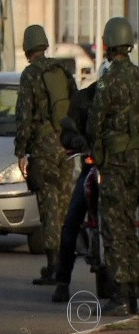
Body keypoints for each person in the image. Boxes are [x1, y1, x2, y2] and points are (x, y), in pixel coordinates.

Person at [14, 24, 75, 285]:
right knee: (63, 209)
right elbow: (77, 105)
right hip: (67, 148)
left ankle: (54, 268)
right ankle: (64, 265)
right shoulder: (62, 70)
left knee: (49, 209)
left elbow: (24, 117)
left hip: (44, 150)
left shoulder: (29, 76)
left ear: (28, 49)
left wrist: (21, 151)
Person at [86, 17, 139, 316]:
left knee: (115, 227)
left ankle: (120, 294)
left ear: (109, 43)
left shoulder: (109, 79)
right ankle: (133, 294)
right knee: (131, 227)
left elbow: (95, 120)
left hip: (117, 165)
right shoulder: (137, 76)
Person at [51, 81, 97, 302]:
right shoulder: (85, 98)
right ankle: (62, 282)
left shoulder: (132, 93)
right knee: (71, 221)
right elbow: (67, 132)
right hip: (94, 168)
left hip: (127, 170)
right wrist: (76, 140)